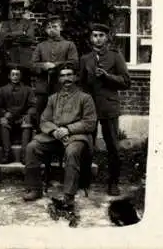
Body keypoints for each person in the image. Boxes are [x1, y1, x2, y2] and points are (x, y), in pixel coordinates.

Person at [23, 63, 97, 208]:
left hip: (76, 136)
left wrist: (68, 129)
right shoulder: (53, 98)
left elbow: (90, 123)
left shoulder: (85, 98)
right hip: (55, 136)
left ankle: (69, 196)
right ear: (59, 79)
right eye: (63, 76)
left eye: (69, 75)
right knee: (32, 147)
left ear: (75, 77)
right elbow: (44, 120)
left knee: (72, 151)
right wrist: (55, 131)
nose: (66, 78)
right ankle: (35, 189)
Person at [79, 23, 131, 196]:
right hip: (90, 109)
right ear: (90, 38)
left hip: (109, 107)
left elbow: (126, 82)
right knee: (87, 145)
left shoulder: (116, 57)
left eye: (101, 35)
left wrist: (108, 76)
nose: (98, 39)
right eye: (94, 35)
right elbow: (81, 85)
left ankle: (113, 182)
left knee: (113, 147)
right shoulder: (85, 59)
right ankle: (84, 181)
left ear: (107, 37)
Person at [31, 15, 78, 127]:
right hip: (43, 87)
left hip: (62, 86)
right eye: (49, 27)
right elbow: (32, 65)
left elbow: (74, 63)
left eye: (55, 26)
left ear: (61, 28)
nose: (52, 30)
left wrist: (56, 65)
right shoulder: (41, 46)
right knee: (41, 114)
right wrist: (43, 66)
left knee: (62, 115)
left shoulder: (69, 45)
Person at [0, 65, 36, 164]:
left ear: (21, 76)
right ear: (9, 76)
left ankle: (24, 155)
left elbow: (33, 106)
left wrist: (28, 114)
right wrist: (4, 113)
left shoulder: (28, 90)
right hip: (9, 118)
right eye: (13, 74)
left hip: (22, 117)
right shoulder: (2, 90)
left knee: (27, 121)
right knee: (3, 122)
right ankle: (7, 154)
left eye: (17, 74)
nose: (15, 77)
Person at [0, 0, 36, 85]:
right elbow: (4, 37)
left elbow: (30, 39)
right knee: (10, 81)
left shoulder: (28, 23)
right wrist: (22, 33)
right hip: (11, 55)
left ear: (23, 11)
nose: (17, 12)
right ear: (12, 11)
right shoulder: (6, 24)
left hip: (25, 57)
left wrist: (12, 36)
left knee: (25, 81)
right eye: (15, 9)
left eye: (20, 9)